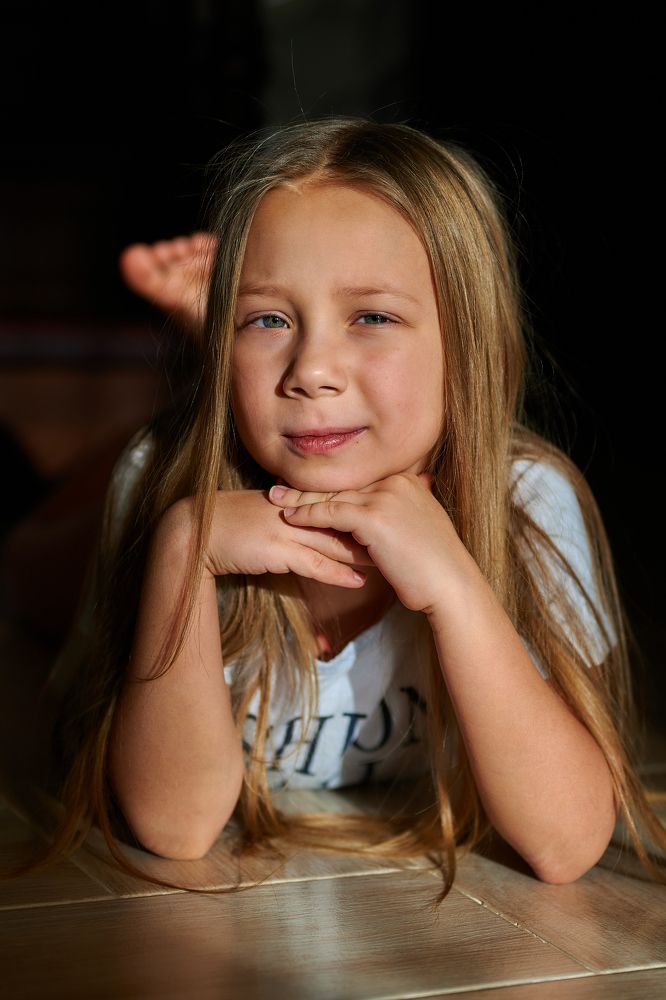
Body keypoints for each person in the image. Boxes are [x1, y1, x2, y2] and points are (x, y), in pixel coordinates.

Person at [7, 117, 665, 899]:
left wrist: (456, 586)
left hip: (260, 444)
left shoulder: (527, 501)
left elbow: (566, 843)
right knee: (28, 567)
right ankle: (193, 392)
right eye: (268, 320)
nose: (313, 368)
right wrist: (183, 544)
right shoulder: (165, 490)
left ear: (469, 341)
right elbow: (176, 827)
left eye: (372, 317)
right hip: (136, 496)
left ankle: (208, 367)